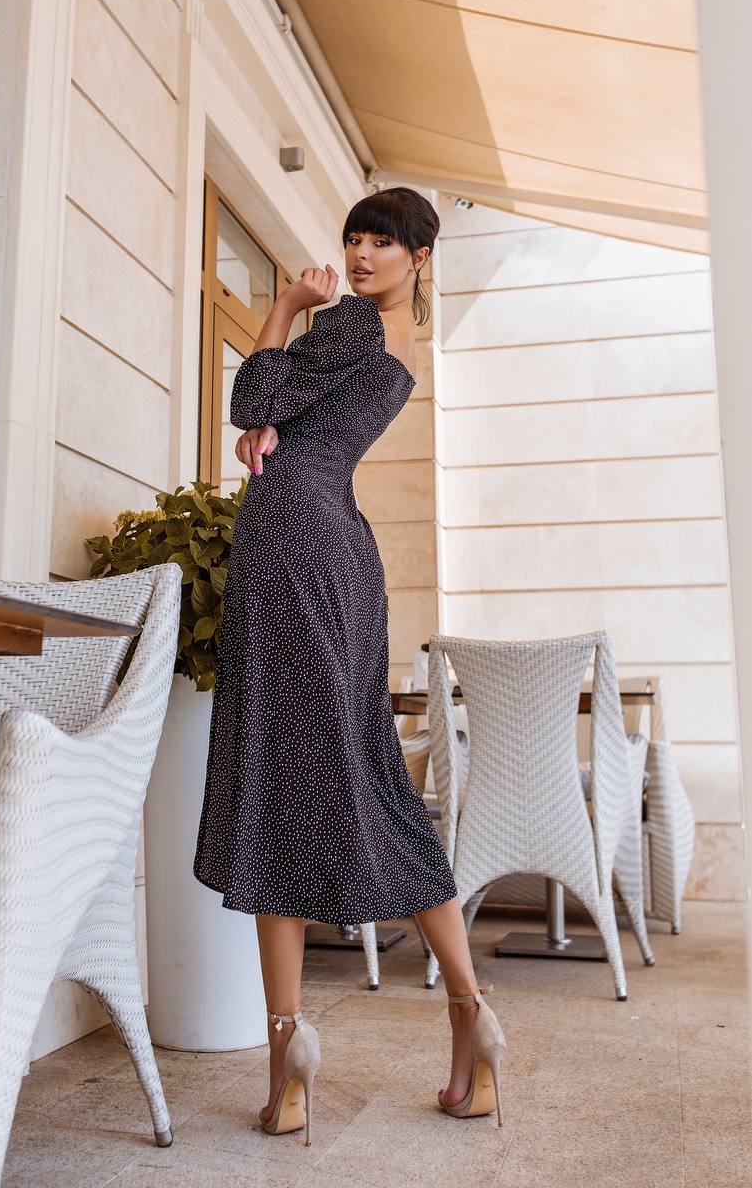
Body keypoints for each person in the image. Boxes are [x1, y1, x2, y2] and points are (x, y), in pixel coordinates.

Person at [193, 187, 506, 1144]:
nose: (362, 255)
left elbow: (248, 401)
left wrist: (286, 305)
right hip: (339, 549)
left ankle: (288, 1059)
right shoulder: (399, 348)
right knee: (361, 772)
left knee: (276, 786)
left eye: (382, 242)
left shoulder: (348, 326)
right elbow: (278, 418)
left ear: (419, 257)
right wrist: (278, 429)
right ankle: (470, 1014)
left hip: (291, 542)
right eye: (354, 239)